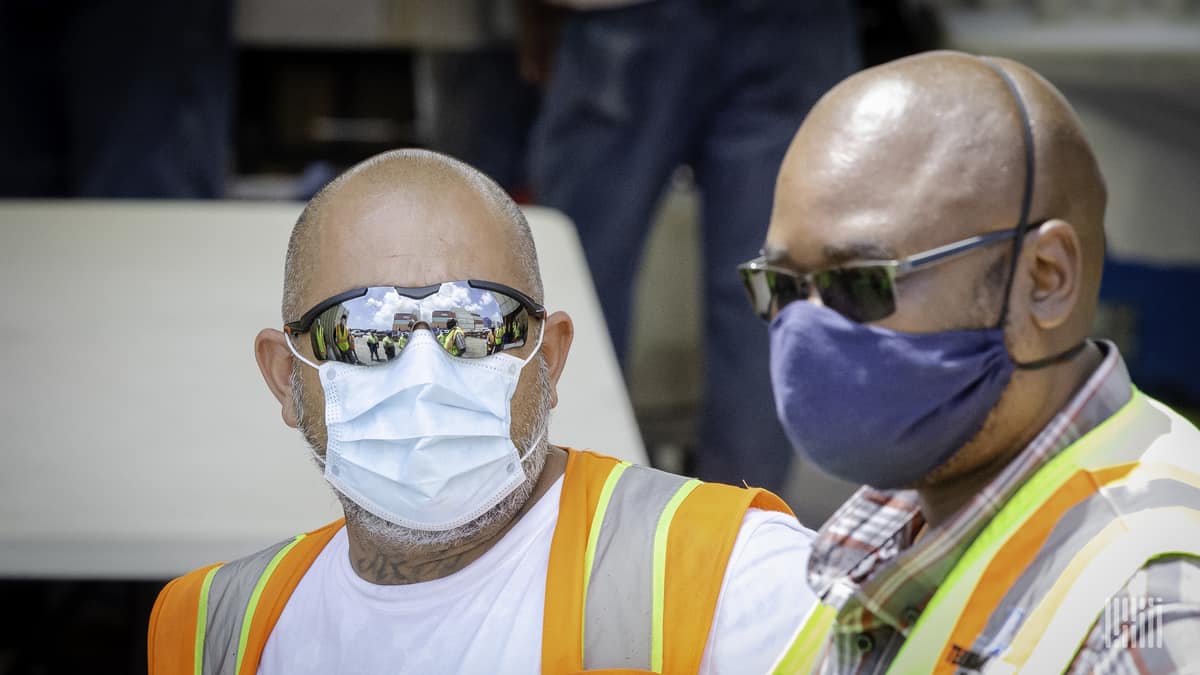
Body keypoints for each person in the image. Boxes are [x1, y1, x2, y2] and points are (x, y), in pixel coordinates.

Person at [147, 149, 818, 674]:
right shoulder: (212, 629)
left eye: (474, 323)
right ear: (284, 374)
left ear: (549, 356)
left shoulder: (733, 574)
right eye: (359, 331)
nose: (422, 374)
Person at [752, 52, 1200, 673]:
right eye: (780, 285)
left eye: (860, 282)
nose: (803, 329)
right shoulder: (886, 526)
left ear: (1045, 279)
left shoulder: (1147, 624)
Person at [525, 0, 860, 492]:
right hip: (796, 23)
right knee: (768, 286)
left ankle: (565, 519)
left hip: (629, 15)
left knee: (574, 277)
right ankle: (738, 535)